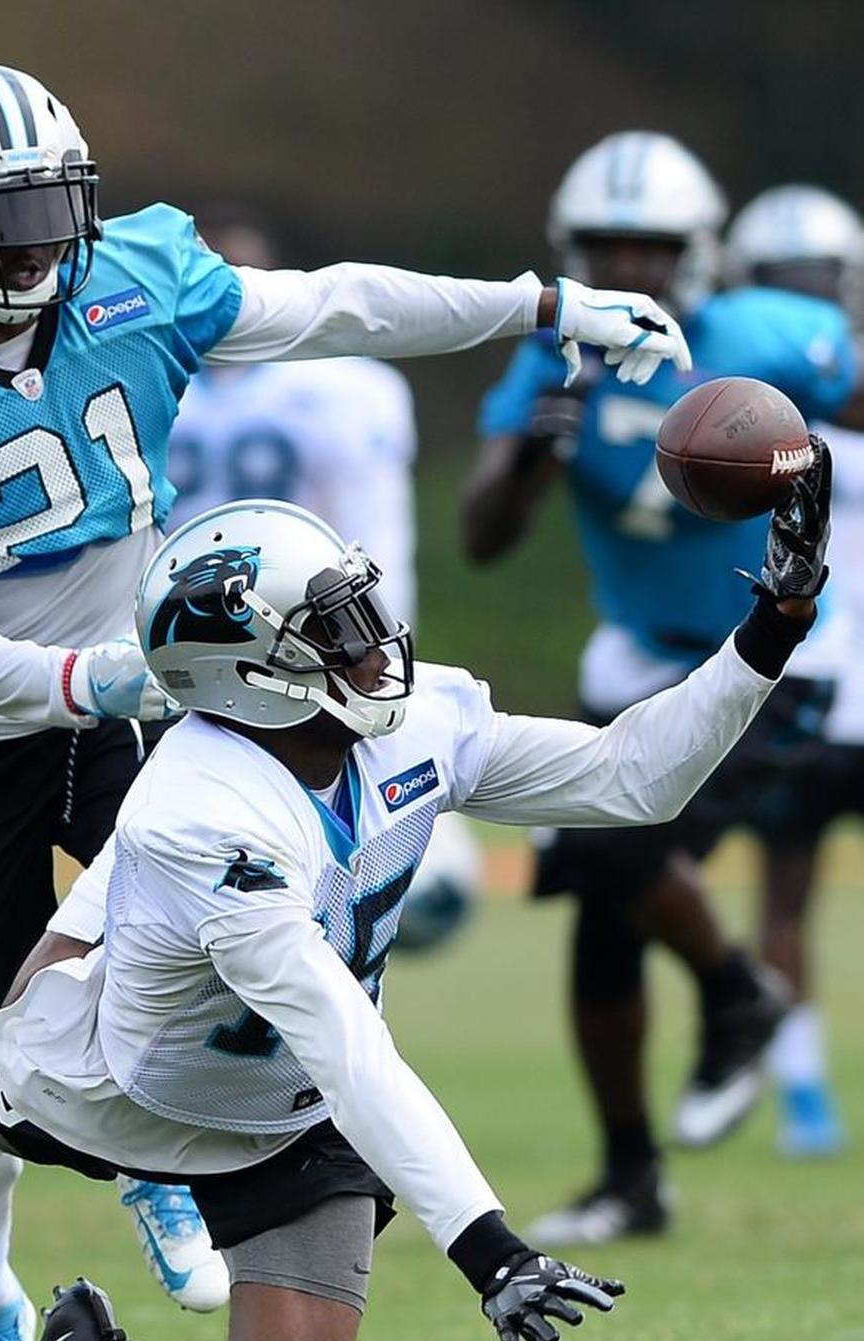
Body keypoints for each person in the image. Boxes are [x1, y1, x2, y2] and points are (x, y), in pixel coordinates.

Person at [0, 64, 691, 1341]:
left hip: (139, 706)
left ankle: (147, 1170)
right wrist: (93, 674)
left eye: (47, 211)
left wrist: (538, 304)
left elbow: (336, 302)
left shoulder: (136, 280)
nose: (29, 247)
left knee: (193, 937)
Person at [0, 477, 827, 1341]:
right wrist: (490, 1251)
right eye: (337, 630)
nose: (376, 645)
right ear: (248, 672)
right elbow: (346, 1044)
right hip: (129, 1085)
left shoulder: (411, 726)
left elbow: (635, 777)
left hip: (287, 1101)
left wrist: (777, 622)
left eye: (363, 612)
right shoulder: (206, 814)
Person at [459, 133, 856, 1244]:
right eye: (608, 244)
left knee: (615, 845)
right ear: (570, 250)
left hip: (768, 651)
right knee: (600, 909)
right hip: (636, 657)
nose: (629, 264)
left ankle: (736, 992)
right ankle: (633, 1171)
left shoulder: (763, 333)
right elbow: (483, 536)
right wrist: (532, 456)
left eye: (650, 243)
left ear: (698, 250)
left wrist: (808, 459)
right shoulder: (557, 362)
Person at [167, 206, 481, 952]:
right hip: (207, 650)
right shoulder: (155, 380)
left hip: (287, 648)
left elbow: (375, 536)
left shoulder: (343, 389)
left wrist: (373, 662)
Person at [723, 182, 864, 1153]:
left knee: (782, 894)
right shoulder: (766, 423)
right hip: (812, 681)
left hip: (812, 682)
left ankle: (805, 1095)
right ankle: (805, 1095)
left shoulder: (763, 426)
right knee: (780, 893)